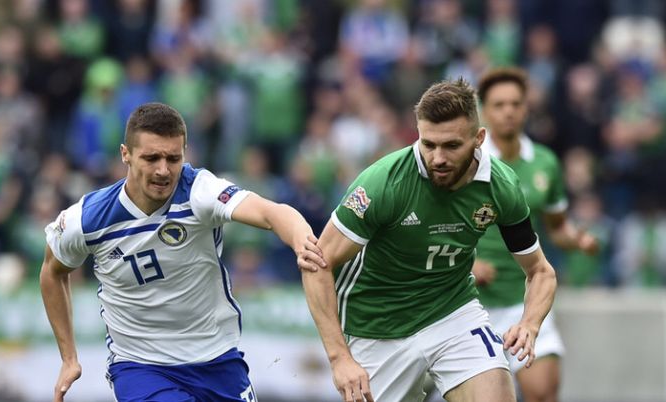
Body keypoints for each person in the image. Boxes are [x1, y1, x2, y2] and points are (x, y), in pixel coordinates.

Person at [40, 102, 326, 402]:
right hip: (140, 366)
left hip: (217, 358)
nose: (163, 170)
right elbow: (52, 272)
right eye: (151, 158)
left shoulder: (200, 192)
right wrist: (69, 358)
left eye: (173, 158)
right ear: (126, 154)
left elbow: (270, 212)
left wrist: (301, 239)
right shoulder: (87, 219)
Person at [301, 77, 558, 402]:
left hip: (452, 312)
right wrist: (339, 359)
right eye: (428, 144)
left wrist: (530, 325)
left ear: (479, 138)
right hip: (377, 326)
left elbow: (540, 271)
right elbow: (317, 265)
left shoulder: (501, 186)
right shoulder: (384, 183)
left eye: (451, 146)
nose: (437, 158)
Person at [473, 67, 598, 402]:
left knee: (543, 392)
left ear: (526, 108)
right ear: (484, 111)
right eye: (499, 105)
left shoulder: (545, 163)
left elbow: (556, 227)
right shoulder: (468, 164)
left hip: (524, 301)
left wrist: (577, 239)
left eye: (515, 104)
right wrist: (467, 265)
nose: (508, 111)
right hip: (471, 306)